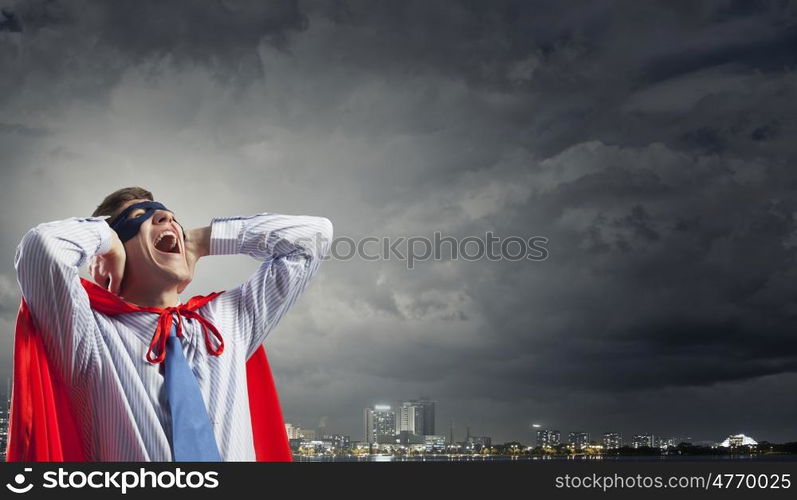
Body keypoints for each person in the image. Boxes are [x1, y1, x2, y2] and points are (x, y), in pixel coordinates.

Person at [9, 186, 333, 461]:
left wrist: (204, 240)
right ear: (103, 265)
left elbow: (312, 238)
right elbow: (43, 248)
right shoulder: (86, 334)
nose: (166, 218)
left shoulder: (228, 320)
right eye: (136, 219)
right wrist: (105, 238)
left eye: (170, 217)